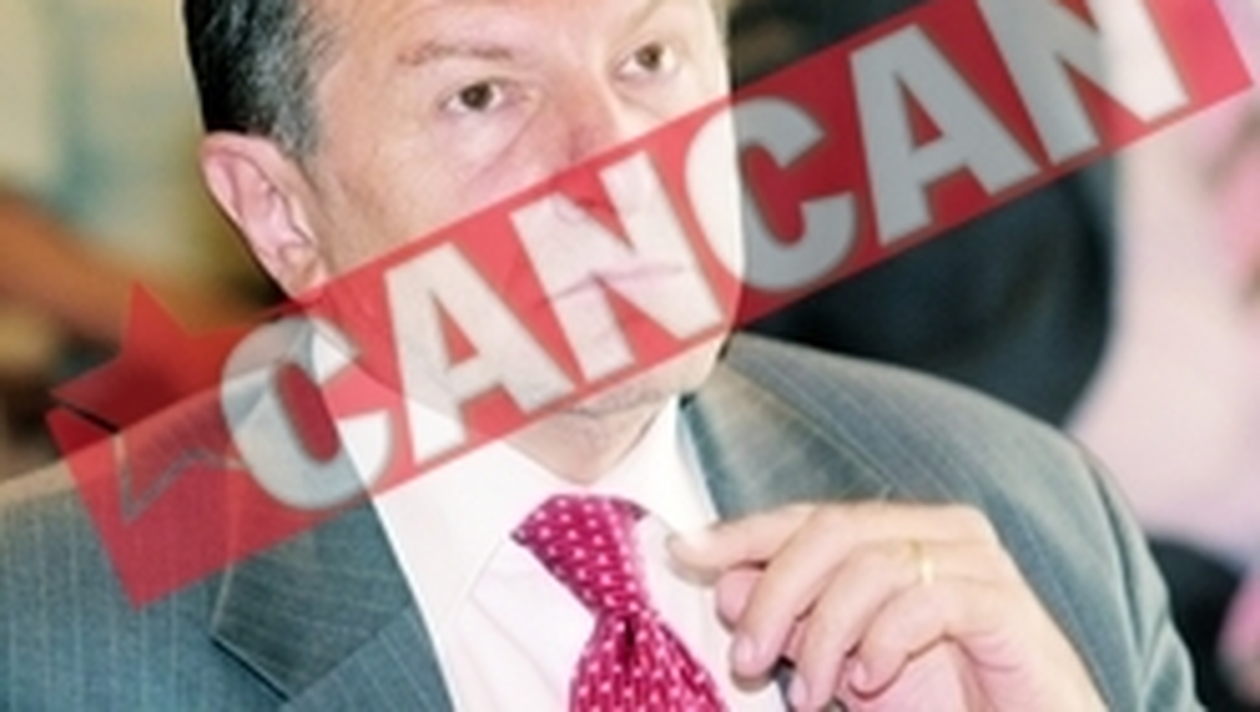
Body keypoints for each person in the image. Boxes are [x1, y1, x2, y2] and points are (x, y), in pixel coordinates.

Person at [0, 0, 1195, 709]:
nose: (619, 167)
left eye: (649, 60)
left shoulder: (1029, 515)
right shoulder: (41, 635)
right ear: (279, 212)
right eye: (482, 96)